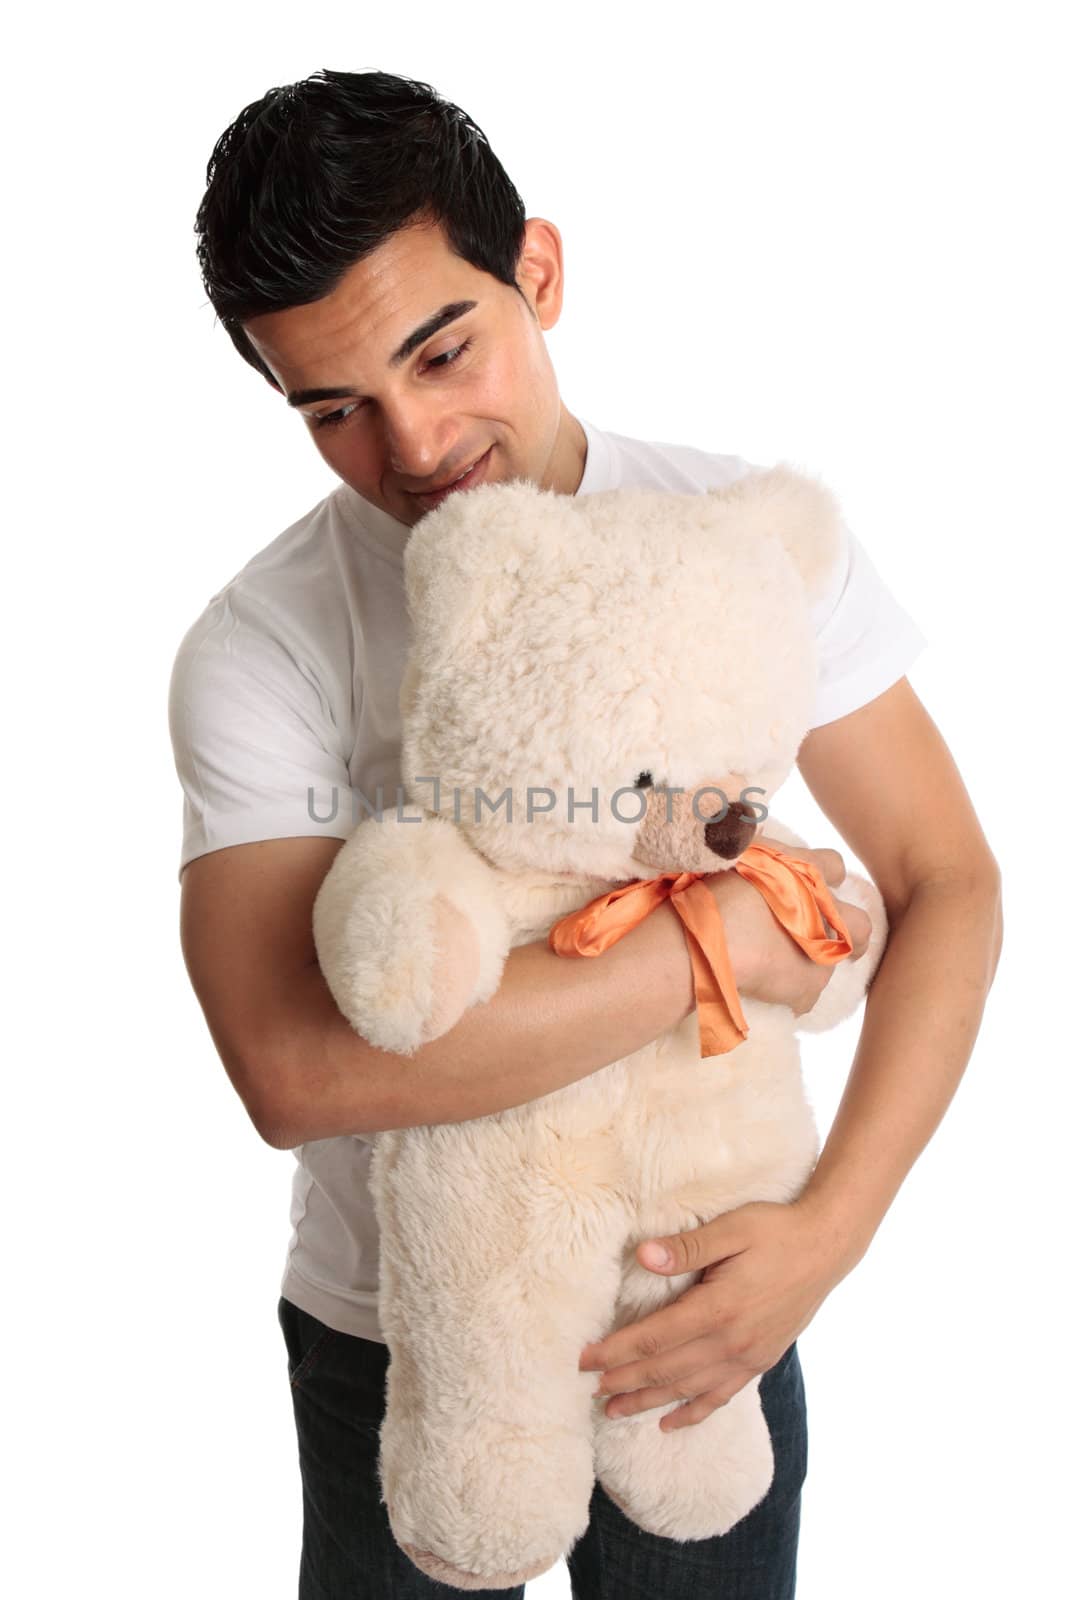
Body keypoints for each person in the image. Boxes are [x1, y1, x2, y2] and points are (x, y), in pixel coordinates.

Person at [170, 68, 1002, 1599]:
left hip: (713, 1285)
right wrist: (722, 938)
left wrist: (833, 1230)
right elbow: (293, 1072)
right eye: (333, 409)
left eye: (443, 350)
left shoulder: (732, 537)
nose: (413, 444)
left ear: (536, 273)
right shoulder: (264, 641)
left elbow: (946, 879)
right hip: (396, 1327)